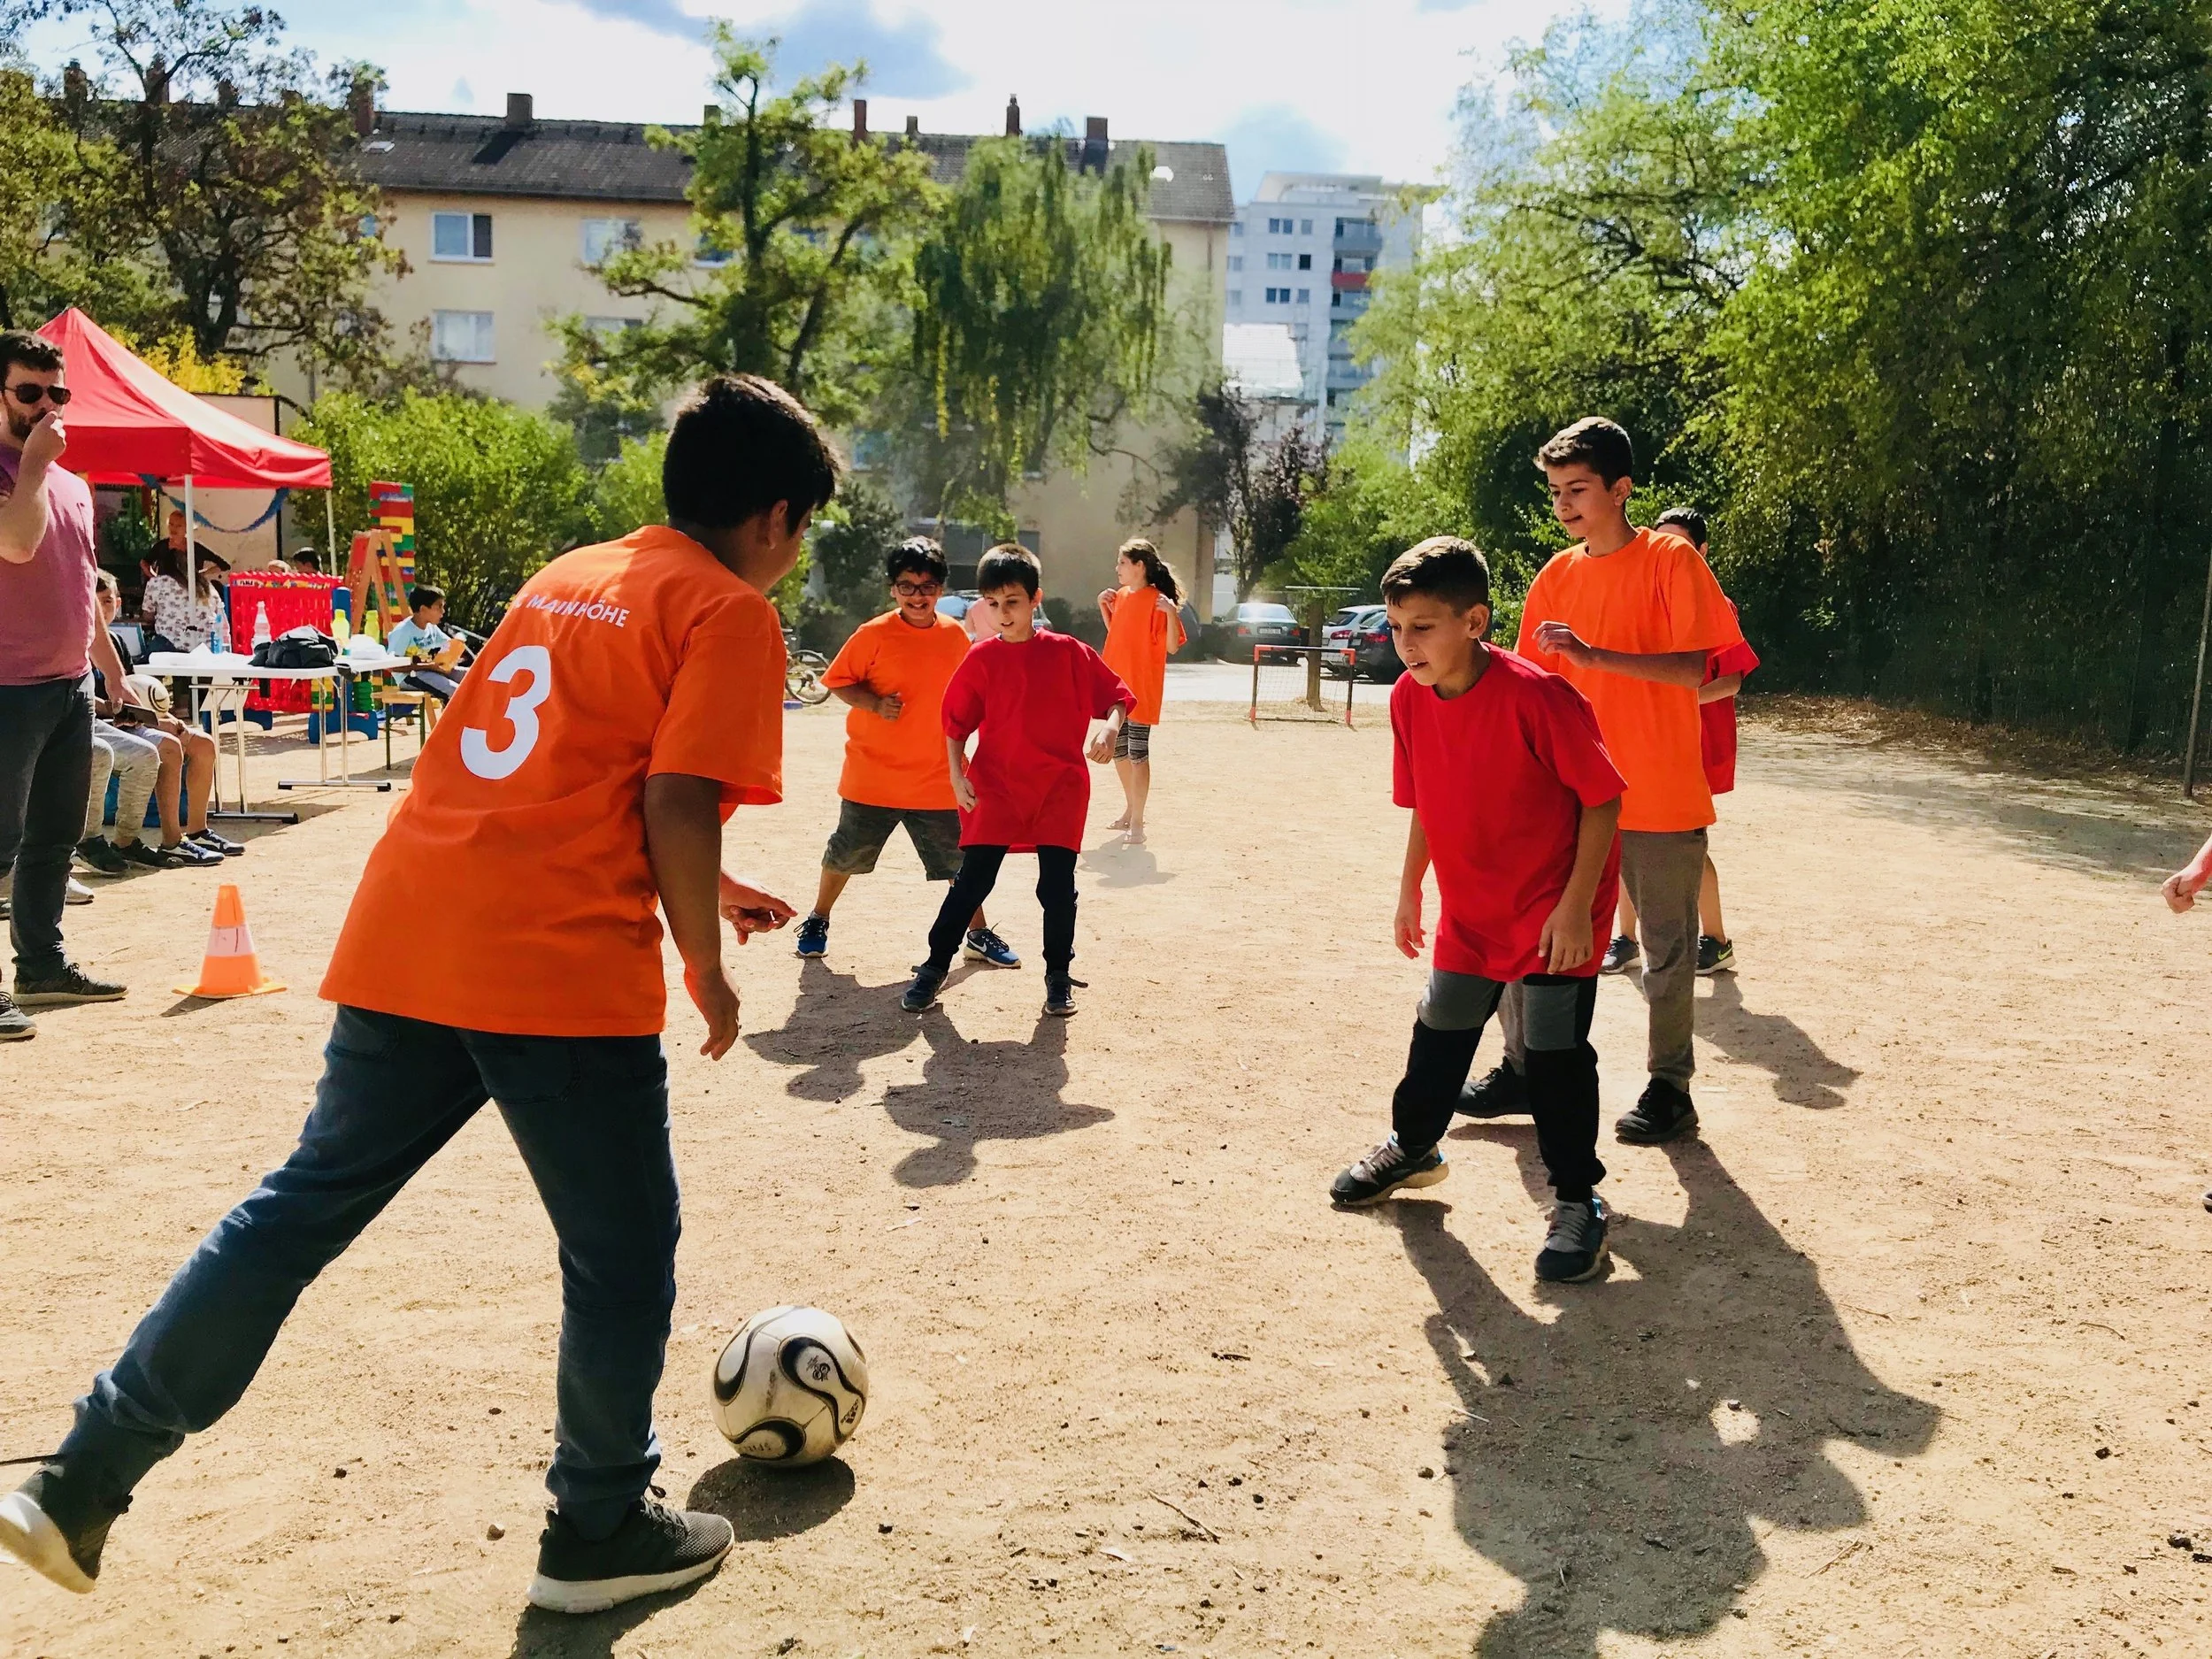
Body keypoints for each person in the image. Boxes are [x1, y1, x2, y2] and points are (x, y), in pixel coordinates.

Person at [0, 373, 834, 1612]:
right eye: (806, 528)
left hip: (415, 923)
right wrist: (705, 967)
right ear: (774, 517)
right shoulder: (726, 610)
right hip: (549, 963)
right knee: (619, 1253)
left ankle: (81, 1477)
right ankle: (595, 1525)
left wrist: (716, 885)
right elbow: (668, 798)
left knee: (295, 1211)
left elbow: (571, 773)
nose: (797, 552)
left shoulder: (575, 572)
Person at [1329, 539, 1624, 1282]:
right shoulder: (1406, 698)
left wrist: (1575, 908)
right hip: (1472, 907)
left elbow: (1603, 799)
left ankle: (1578, 1198)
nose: (1406, 644)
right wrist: (1410, 888)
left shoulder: (1537, 696)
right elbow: (1426, 801)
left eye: (1423, 626)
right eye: (1397, 627)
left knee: (1555, 1057)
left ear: (1475, 621)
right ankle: (1415, 1146)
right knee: (1439, 1031)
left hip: (1553, 910)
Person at [1460, 418, 1744, 1147]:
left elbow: (1697, 670)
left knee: (1667, 949)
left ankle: (1669, 1086)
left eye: (1577, 489)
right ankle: (1522, 1068)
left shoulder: (1671, 561)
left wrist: (1596, 654)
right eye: (1555, 490)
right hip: (1572, 798)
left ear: (1620, 490)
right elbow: (1529, 687)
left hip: (1659, 790)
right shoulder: (1556, 575)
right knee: (1535, 935)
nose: (1563, 503)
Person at [901, 545, 1133, 1018]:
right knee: (972, 883)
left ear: (1035, 600)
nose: (1002, 613)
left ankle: (1058, 977)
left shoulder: (1069, 653)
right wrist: (955, 774)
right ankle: (933, 967)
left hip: (1059, 788)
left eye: (1012, 602)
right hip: (997, 786)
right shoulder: (981, 660)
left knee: (1056, 888)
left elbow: (1117, 697)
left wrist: (1110, 727)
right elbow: (955, 725)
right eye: (993, 604)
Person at [794, 537, 1015, 967]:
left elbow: (972, 695)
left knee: (961, 862)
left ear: (942, 589)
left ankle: (978, 934)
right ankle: (818, 919)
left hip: (937, 778)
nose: (918, 595)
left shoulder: (956, 637)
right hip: (873, 777)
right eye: (907, 586)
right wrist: (874, 703)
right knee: (845, 854)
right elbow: (837, 680)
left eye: (928, 586)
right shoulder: (872, 635)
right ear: (892, 589)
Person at [0, 327, 133, 1041]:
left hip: (66, 686)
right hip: (4, 688)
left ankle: (41, 967)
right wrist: (31, 468)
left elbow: (81, 590)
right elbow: (16, 543)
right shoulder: (25, 474)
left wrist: (110, 671)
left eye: (57, 393)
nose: (45, 406)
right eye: (28, 392)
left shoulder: (74, 487)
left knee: (54, 839)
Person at [1605, 506, 1759, 976]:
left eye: (1683, 545)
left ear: (1703, 551)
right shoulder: (1644, 598)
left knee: (1686, 846)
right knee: (1622, 836)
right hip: (1643, 739)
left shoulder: (1716, 602)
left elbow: (1730, 682)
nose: (1671, 554)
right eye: (1663, 542)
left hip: (1689, 743)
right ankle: (1626, 938)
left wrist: (1667, 704)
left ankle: (1715, 940)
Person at [80, 571, 233, 870]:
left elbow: (132, 690)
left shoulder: (115, 643)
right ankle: (171, 841)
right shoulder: (79, 643)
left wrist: (160, 716)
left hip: (126, 720)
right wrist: (139, 718)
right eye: (97, 602)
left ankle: (197, 832)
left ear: (119, 602)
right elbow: (90, 701)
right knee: (169, 746)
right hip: (103, 724)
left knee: (202, 743)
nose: (103, 609)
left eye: (109, 601)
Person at [1095, 536, 1188, 844]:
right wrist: (1103, 607)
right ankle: (1131, 810)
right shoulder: (1121, 595)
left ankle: (1137, 821)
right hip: (1117, 688)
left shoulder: (1158, 601)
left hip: (1142, 688)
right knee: (1118, 752)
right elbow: (1120, 635)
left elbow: (1172, 646)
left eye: (1122, 562)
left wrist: (1172, 613)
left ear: (1139, 566)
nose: (1117, 567)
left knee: (1138, 754)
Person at [386, 583, 470, 701]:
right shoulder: (403, 631)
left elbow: (449, 644)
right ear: (423, 609)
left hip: (430, 670)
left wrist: (458, 644)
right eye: (439, 607)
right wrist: (430, 666)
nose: (443, 611)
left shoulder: (431, 628)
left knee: (473, 675)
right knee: (455, 691)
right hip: (409, 677)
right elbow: (391, 666)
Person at [137, 546, 223, 654]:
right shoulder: (206, 585)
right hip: (208, 649)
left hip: (172, 648)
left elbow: (148, 616)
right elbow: (220, 615)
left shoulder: (156, 583)